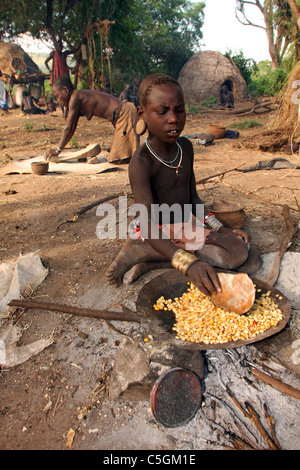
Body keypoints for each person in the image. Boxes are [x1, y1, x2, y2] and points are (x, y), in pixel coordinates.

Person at [105, 73, 261, 295]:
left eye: (179, 110)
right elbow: (147, 223)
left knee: (245, 255)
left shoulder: (185, 148)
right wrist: (189, 264)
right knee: (241, 254)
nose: (173, 118)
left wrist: (219, 228)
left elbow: (193, 198)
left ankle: (150, 260)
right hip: (152, 233)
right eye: (162, 111)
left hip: (183, 231)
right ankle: (142, 250)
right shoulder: (141, 162)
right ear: (142, 114)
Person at [44, 76, 140, 164]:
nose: (58, 100)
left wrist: (57, 150)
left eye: (57, 96)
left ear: (65, 90)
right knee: (119, 152)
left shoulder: (75, 97)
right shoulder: (77, 97)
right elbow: (72, 127)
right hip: (124, 113)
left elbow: (68, 128)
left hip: (125, 113)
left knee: (117, 159)